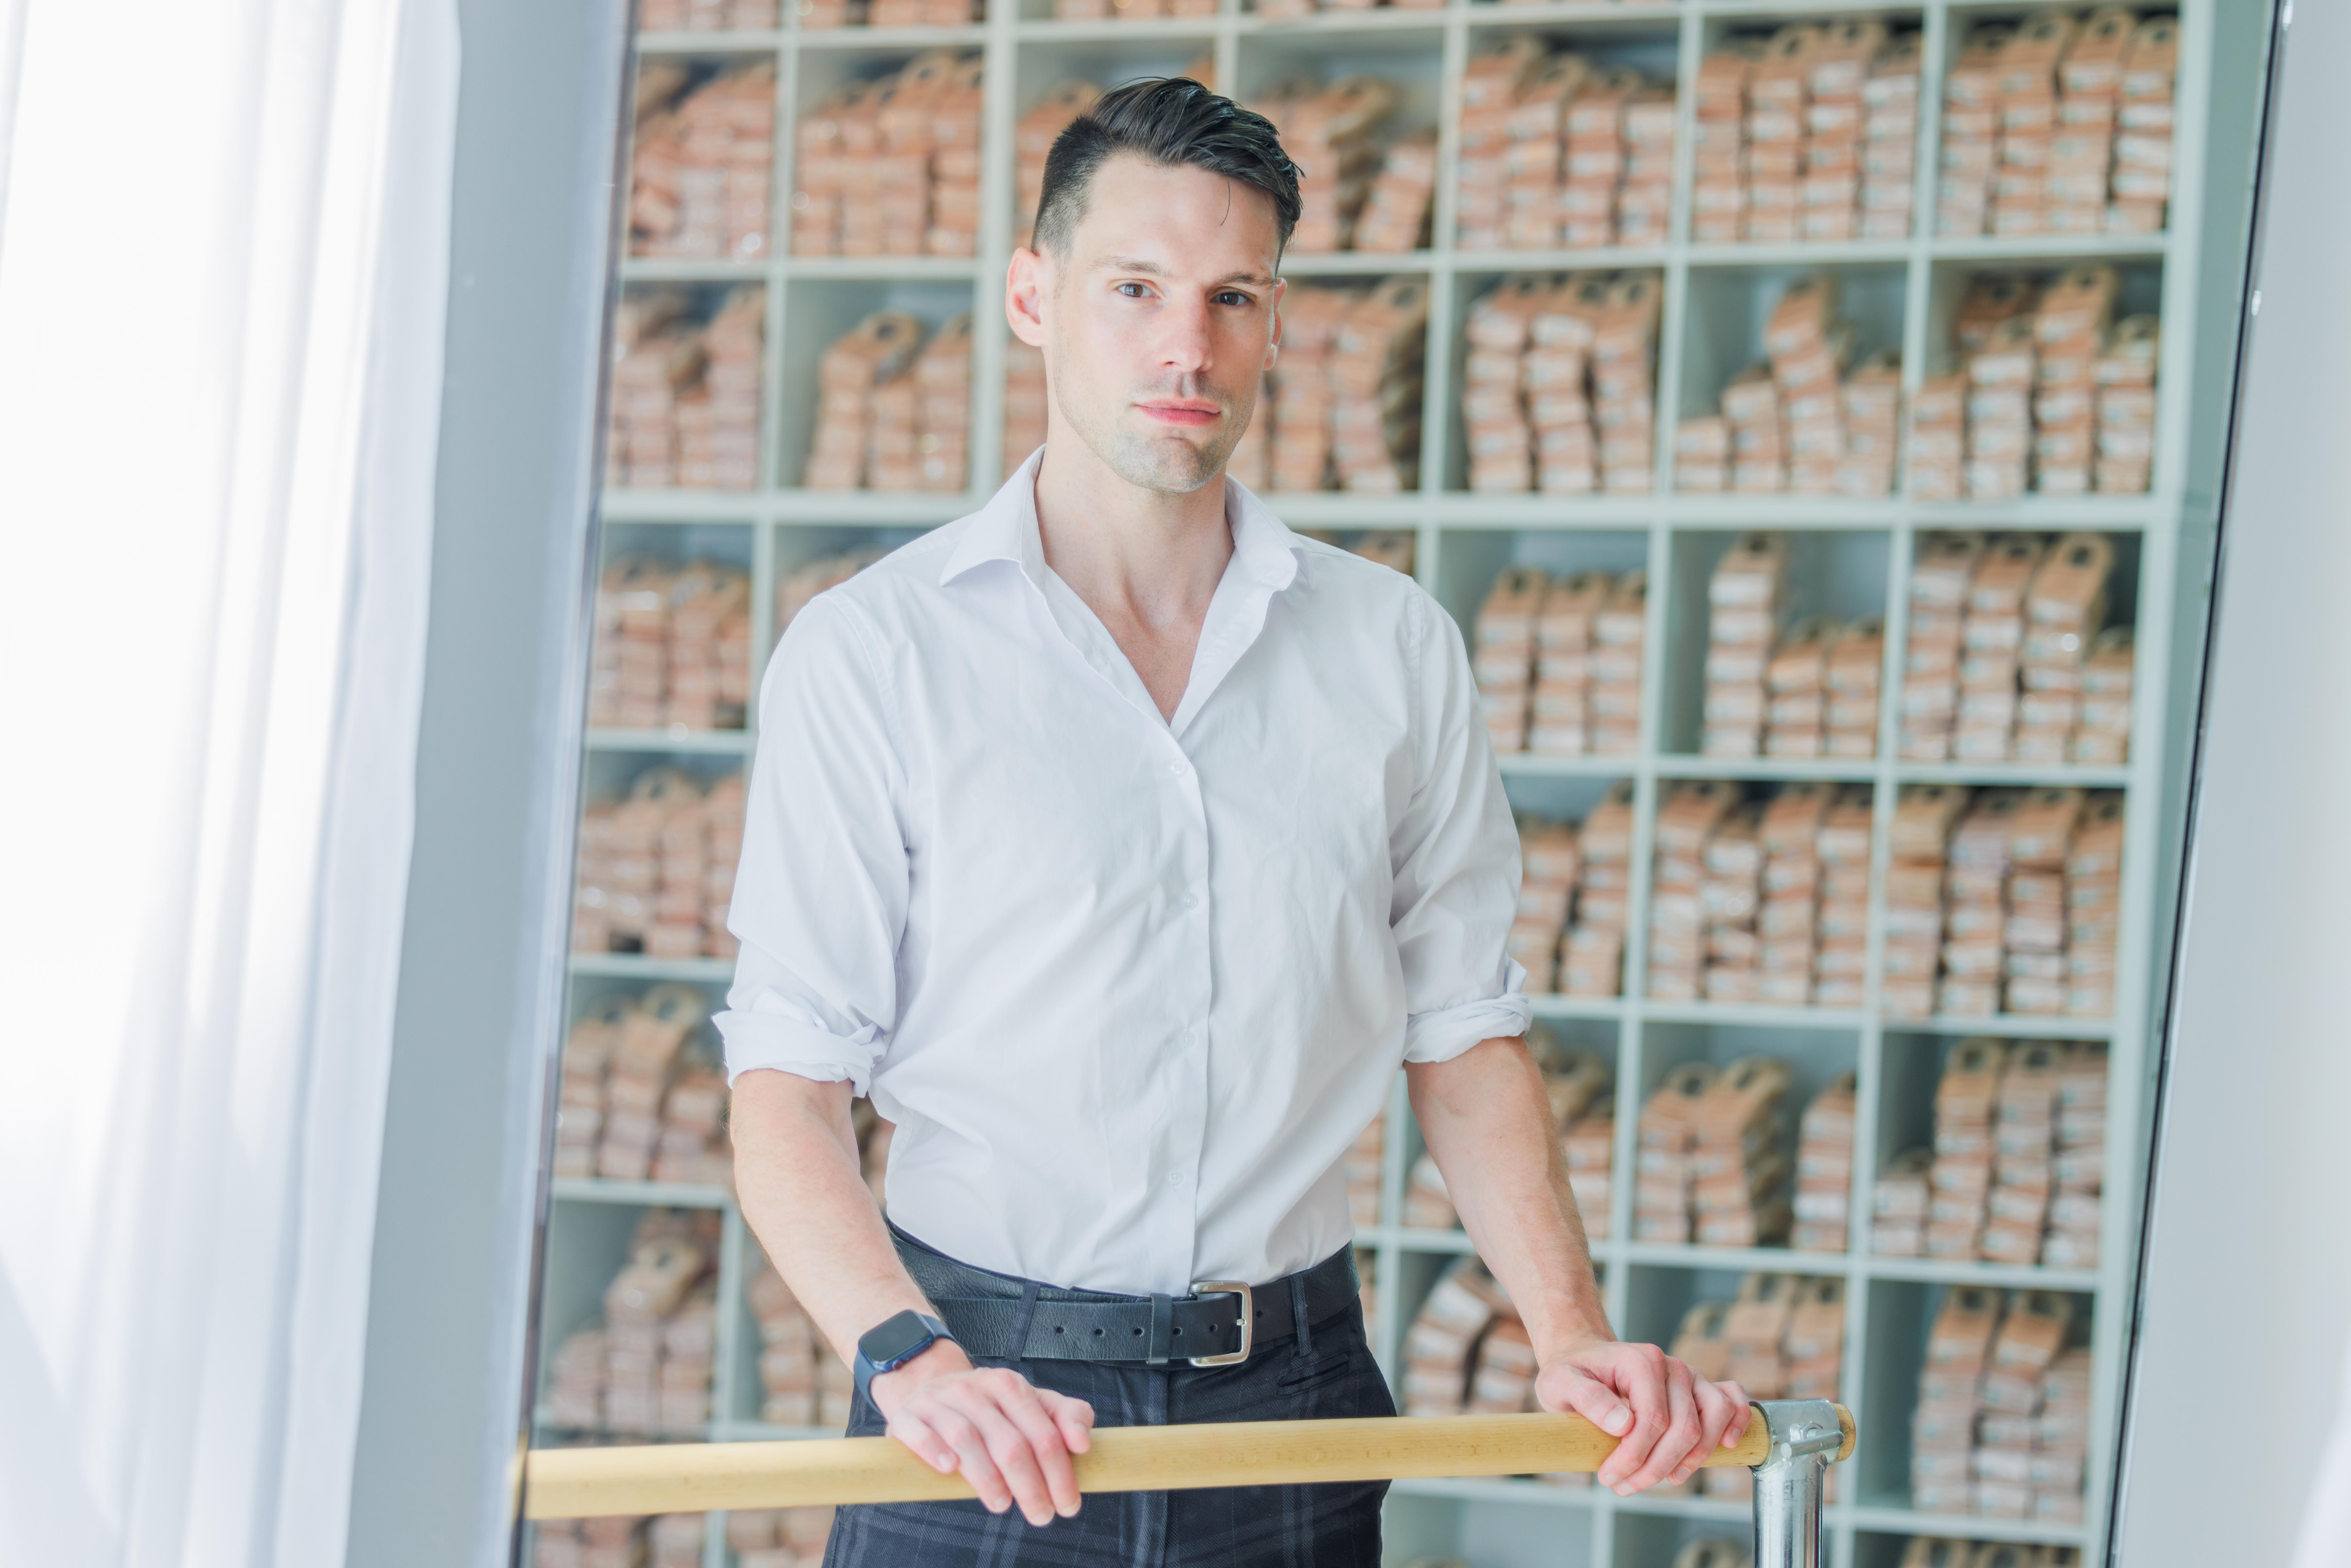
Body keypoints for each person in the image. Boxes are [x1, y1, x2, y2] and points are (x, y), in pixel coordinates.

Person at [716, 75, 1749, 1567]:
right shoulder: (874, 653)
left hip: (1297, 1390)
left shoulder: (1393, 648)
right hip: (979, 1389)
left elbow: (1462, 1030)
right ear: (1034, 296)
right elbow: (789, 1086)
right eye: (1135, 288)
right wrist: (910, 1362)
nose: (1186, 347)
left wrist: (1568, 1328)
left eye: (1233, 297)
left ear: (1277, 324)